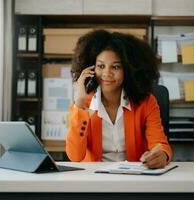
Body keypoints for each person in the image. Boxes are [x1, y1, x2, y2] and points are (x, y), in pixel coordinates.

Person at [66, 29, 172, 169]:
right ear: (91, 68)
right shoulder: (83, 104)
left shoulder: (146, 102)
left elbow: (160, 144)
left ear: (128, 70)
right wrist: (79, 105)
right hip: (95, 180)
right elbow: (75, 156)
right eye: (101, 66)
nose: (107, 73)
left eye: (115, 67)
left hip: (134, 179)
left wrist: (161, 155)